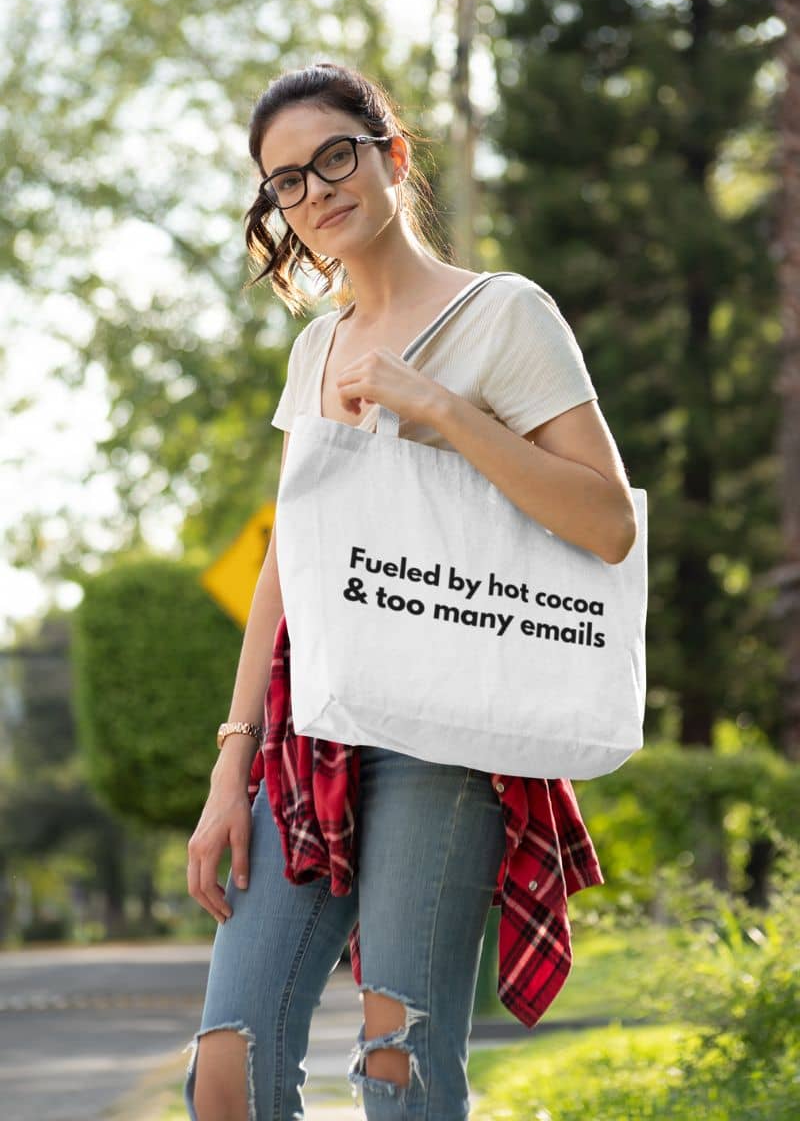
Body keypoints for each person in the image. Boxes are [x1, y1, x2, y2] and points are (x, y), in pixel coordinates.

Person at [183, 60, 636, 1121]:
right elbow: (288, 561)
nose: (314, 192)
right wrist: (229, 765)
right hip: (307, 737)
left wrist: (439, 411)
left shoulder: (504, 315)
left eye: (333, 156)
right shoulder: (315, 349)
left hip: (447, 732)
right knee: (226, 1074)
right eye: (284, 182)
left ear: (389, 153)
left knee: (399, 1069)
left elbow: (605, 524)